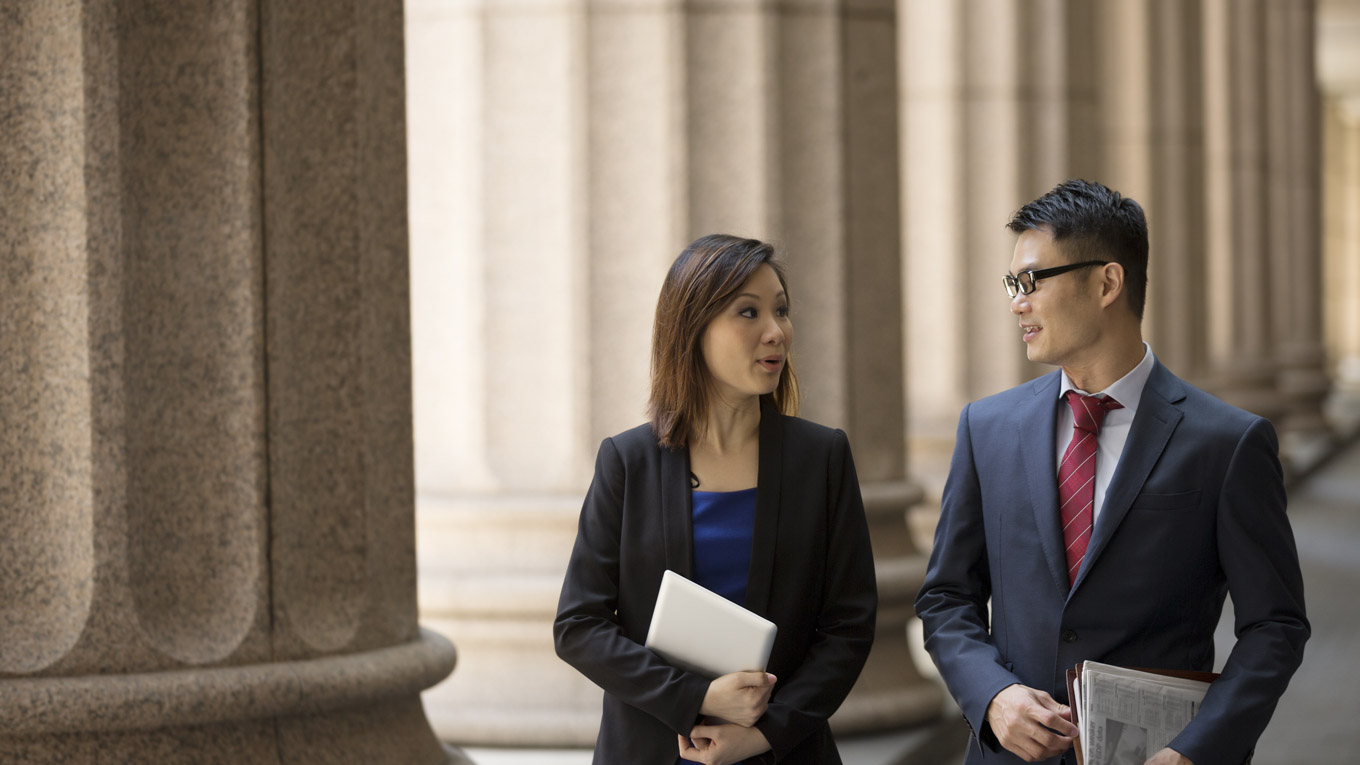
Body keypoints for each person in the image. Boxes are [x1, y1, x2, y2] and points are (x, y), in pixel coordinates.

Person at [914, 180, 1310, 765]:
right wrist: (993, 697)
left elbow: (1274, 626)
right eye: (1011, 284)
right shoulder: (987, 428)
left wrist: (1194, 752)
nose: (1017, 301)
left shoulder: (1228, 442)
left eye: (1031, 281)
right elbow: (947, 597)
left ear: (1106, 282)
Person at [554, 234, 877, 764]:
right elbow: (579, 626)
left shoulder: (821, 457)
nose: (776, 332)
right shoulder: (627, 461)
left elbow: (848, 624)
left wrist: (766, 730)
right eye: (747, 312)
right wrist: (696, 698)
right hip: (651, 749)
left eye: (781, 310)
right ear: (692, 328)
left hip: (784, 751)